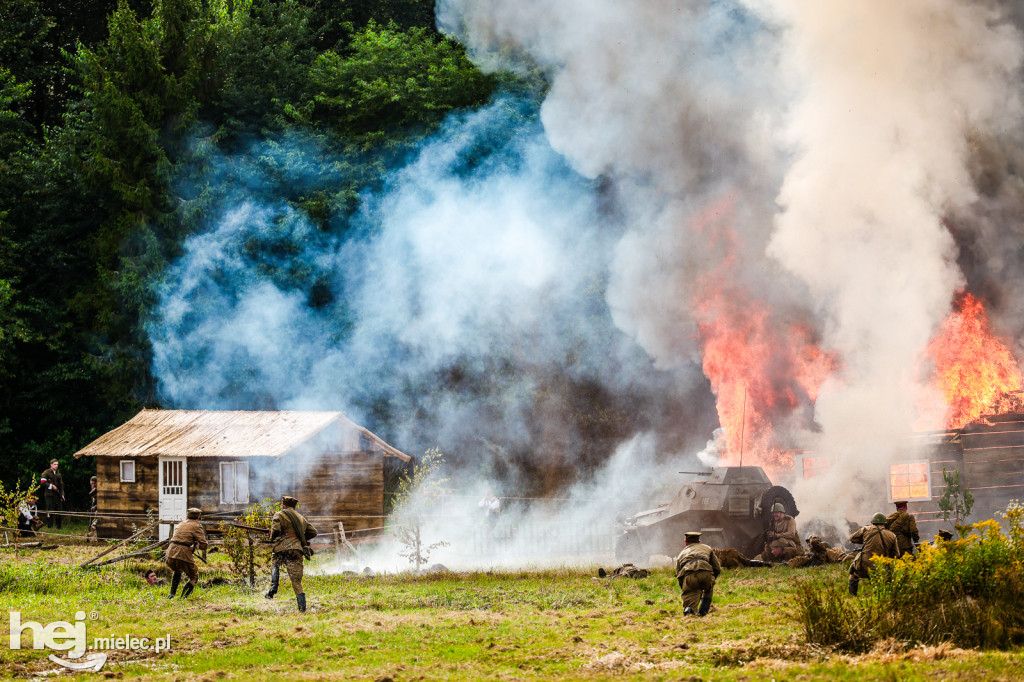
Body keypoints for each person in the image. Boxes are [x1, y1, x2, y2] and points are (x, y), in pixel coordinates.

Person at [265, 496, 317, 612]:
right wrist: (300, 537)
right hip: (296, 550)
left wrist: (271, 535)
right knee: (296, 581)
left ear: (284, 506)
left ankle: (274, 587)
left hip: (281, 548)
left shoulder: (279, 515)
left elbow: (276, 531)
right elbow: (313, 532)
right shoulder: (301, 518)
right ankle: (302, 608)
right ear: (294, 507)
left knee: (275, 563)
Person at [847, 512, 898, 596]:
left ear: (873, 522)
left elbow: (852, 538)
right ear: (884, 523)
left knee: (853, 575)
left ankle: (852, 595)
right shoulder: (892, 535)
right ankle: (881, 595)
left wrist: (864, 540)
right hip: (881, 566)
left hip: (864, 565)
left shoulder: (865, 529)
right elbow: (896, 554)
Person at [674, 531, 722, 617]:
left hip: (690, 576)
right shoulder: (707, 548)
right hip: (707, 574)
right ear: (699, 541)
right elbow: (717, 568)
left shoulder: (681, 554)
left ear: (686, 543)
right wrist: (713, 578)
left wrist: (684, 587)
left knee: (690, 598)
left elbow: (679, 575)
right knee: (709, 589)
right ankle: (703, 612)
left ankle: (690, 614)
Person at [165, 508, 208, 599]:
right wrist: (196, 547)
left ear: (187, 516)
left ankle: (171, 595)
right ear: (198, 517)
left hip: (170, 552)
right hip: (183, 554)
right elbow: (204, 545)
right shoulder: (196, 526)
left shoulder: (181, 524)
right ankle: (183, 598)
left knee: (177, 571)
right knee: (194, 576)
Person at [39, 459, 65, 529]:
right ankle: (50, 526)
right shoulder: (46, 472)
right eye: (55, 464)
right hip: (49, 494)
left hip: (57, 494)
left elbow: (61, 485)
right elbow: (42, 481)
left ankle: (58, 526)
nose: (56, 466)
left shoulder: (58, 473)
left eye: (57, 464)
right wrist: (51, 486)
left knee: (59, 510)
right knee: (50, 510)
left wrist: (62, 495)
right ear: (51, 465)